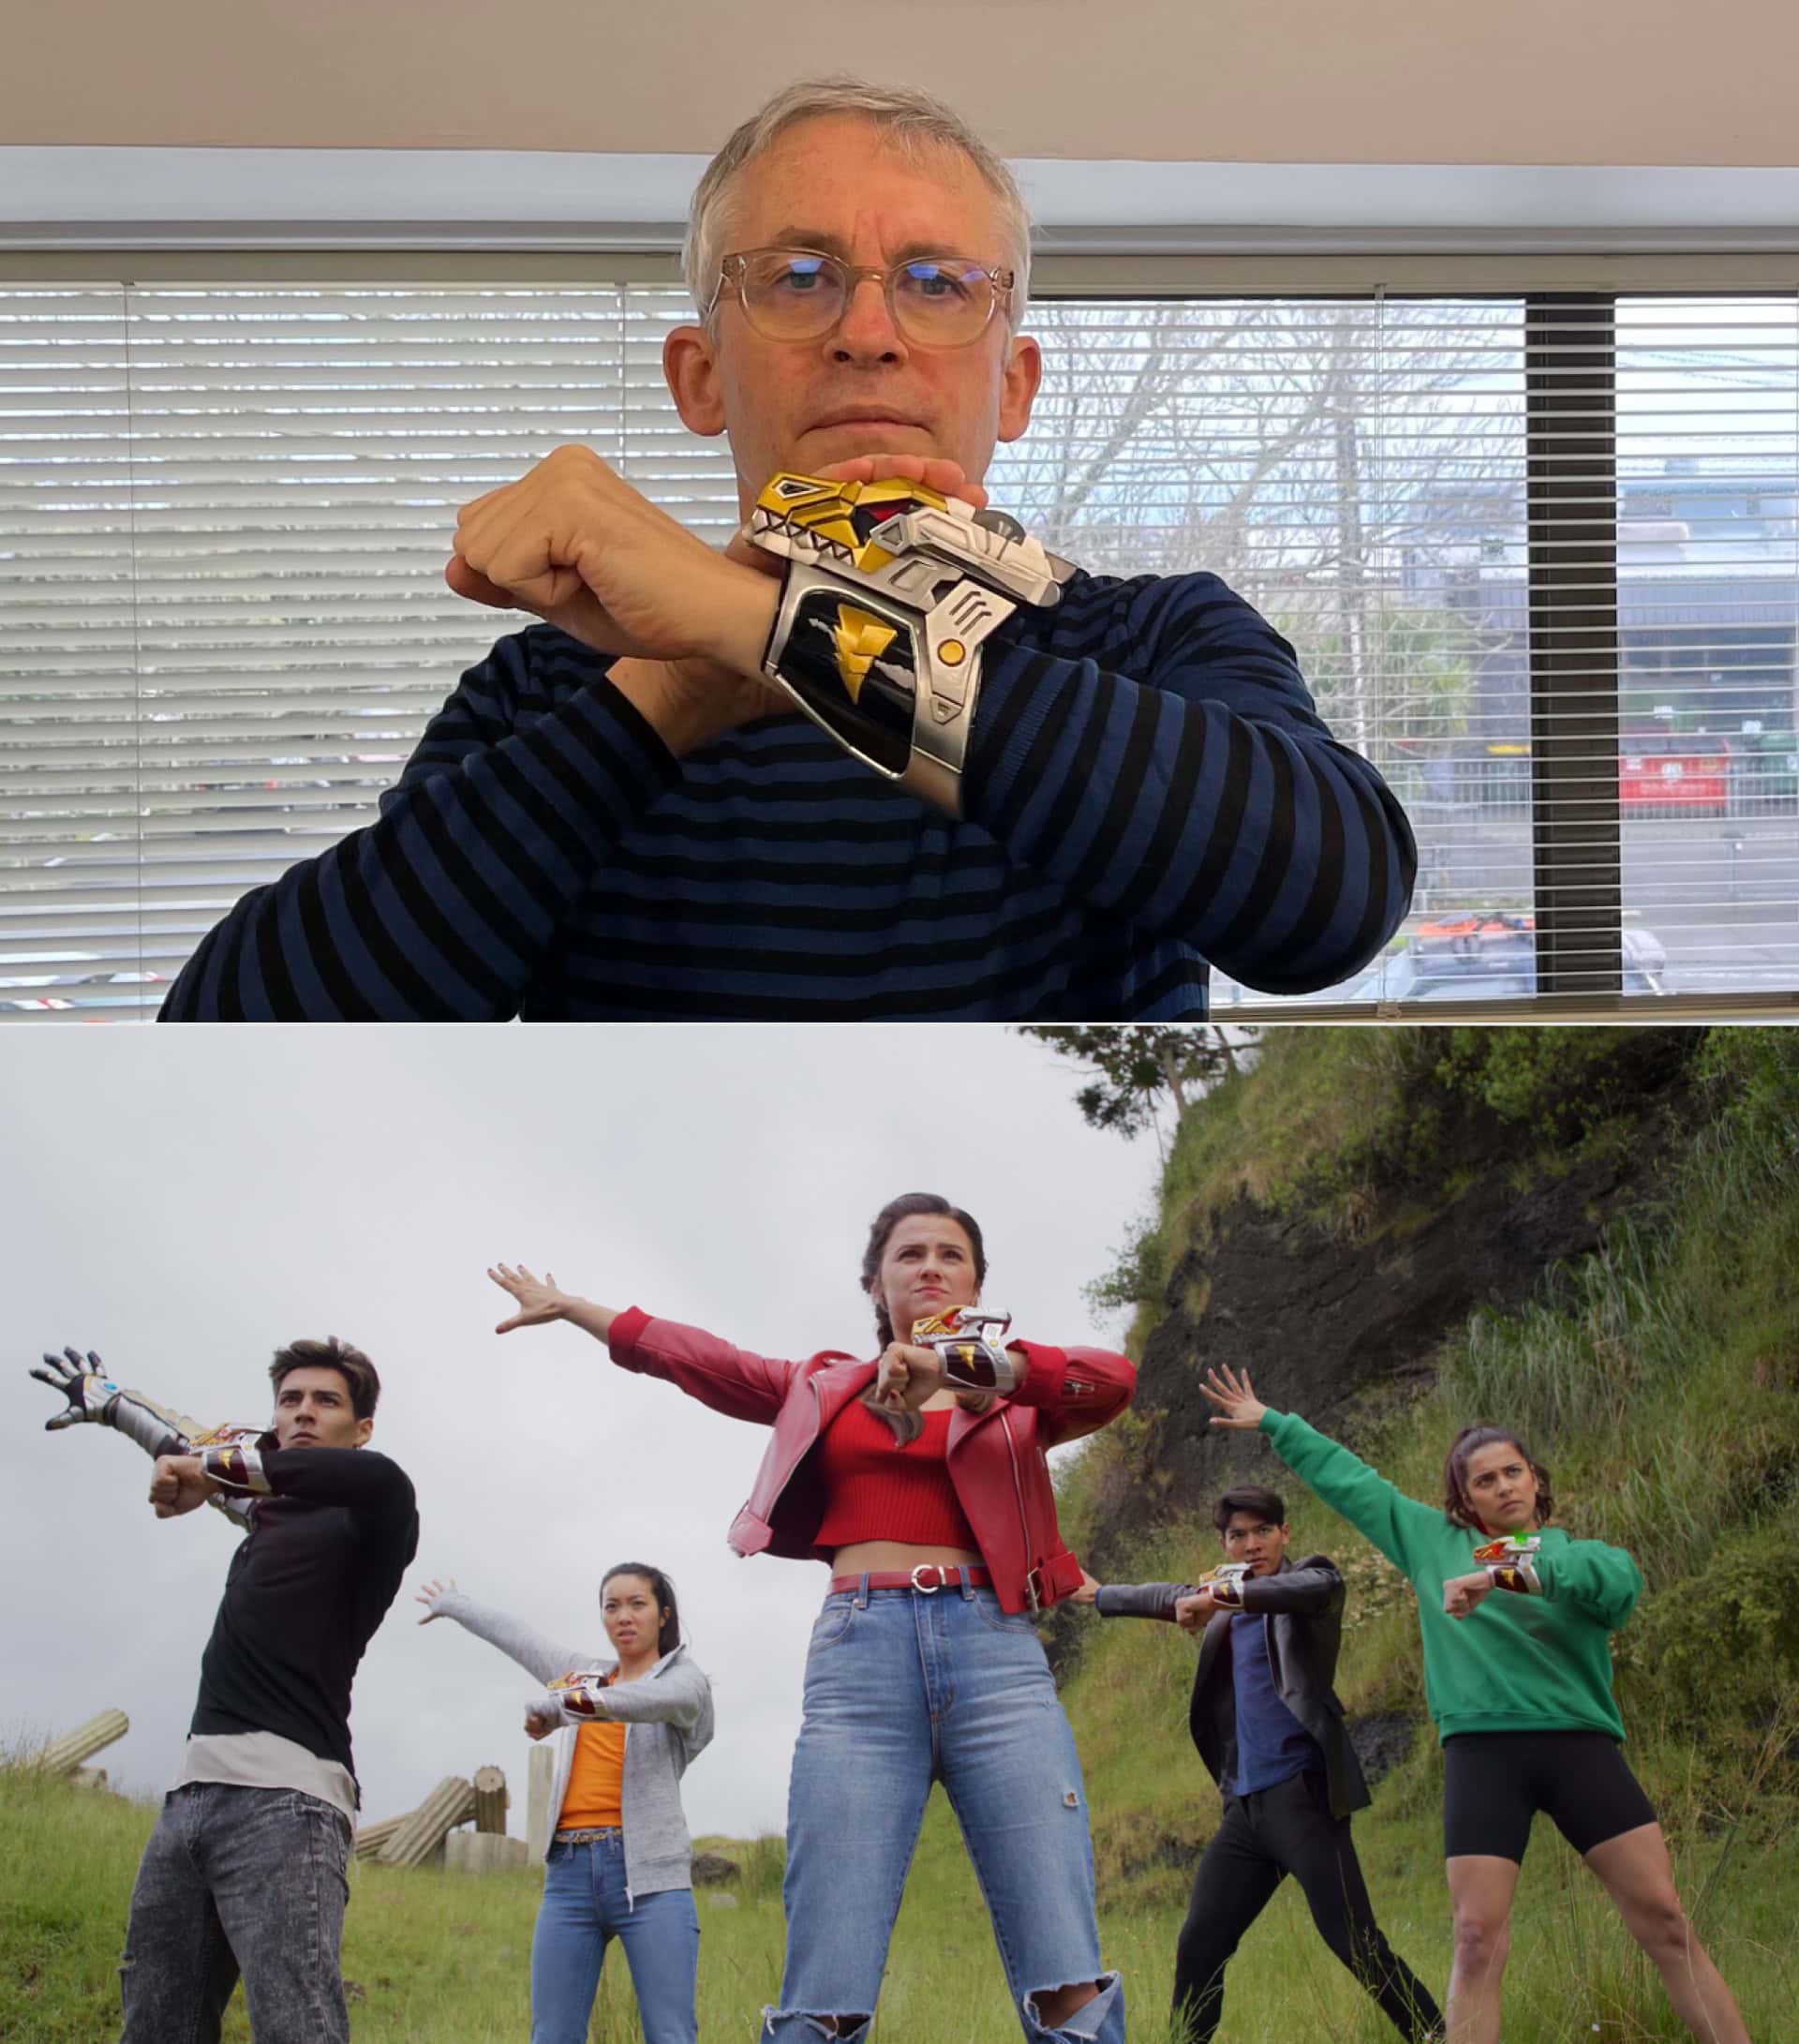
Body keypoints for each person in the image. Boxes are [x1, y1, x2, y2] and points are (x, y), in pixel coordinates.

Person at [159, 74, 1415, 1023]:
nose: (869, 330)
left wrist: (778, 635)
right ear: (699, 375)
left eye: (936, 284)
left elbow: (1331, 907)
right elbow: (232, 1039)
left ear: (1014, 383)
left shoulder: (1155, 636)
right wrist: (678, 684)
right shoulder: (541, 696)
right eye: (800, 277)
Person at [484, 1191, 1136, 2041]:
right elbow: (700, 1358)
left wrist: (976, 1369)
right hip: (862, 1659)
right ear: (876, 1286)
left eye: (951, 1253)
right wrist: (577, 1308)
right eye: (909, 1254)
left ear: (977, 1282)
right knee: (825, 1975)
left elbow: (1112, 1380)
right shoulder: (824, 1385)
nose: (931, 1264)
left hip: (997, 1657)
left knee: (1065, 1966)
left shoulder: (1016, 1401)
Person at [1201, 1363, 1752, 2044]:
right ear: (1465, 1497)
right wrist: (1275, 1422)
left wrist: (1507, 1573)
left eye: (1512, 1472)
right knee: (1475, 1936)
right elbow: (1350, 1481)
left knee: (1665, 1920)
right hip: (1482, 1753)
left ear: (1535, 1478)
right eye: (1484, 1479)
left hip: (1578, 1745)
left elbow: (1622, 1587)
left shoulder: (1571, 1553)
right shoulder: (1431, 1541)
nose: (1503, 1486)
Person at [29, 1338, 417, 2044]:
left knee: (298, 2028)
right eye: (289, 1399)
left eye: (326, 1401)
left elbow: (214, 1461)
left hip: (290, 1804)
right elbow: (185, 1443)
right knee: (156, 2025)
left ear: (360, 1428)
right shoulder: (265, 1512)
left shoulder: (375, 1507)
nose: (303, 1412)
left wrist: (202, 1470)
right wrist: (113, 1403)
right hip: (187, 1802)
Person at [1076, 1484, 1442, 2043]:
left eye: (1263, 1531)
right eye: (1237, 1536)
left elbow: (1311, 1585)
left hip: (1303, 1799)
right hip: (1246, 1812)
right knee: (1200, 1943)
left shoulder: (1310, 1585)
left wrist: (1223, 1597)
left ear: (1284, 1533)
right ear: (1224, 1543)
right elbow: (1163, 1596)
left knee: (1355, 1942)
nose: (1251, 1545)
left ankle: (1436, 2034)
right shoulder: (1221, 1605)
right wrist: (1093, 1594)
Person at [415, 1562, 714, 2044]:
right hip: (569, 1878)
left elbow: (650, 1700)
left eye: (637, 1603)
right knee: (552, 2035)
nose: (623, 1615)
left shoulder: (685, 1680)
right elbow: (519, 1637)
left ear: (663, 1614)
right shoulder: (587, 1676)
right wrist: (455, 1606)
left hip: (651, 1880)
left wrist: (563, 1708)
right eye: (611, 1606)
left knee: (671, 2034)